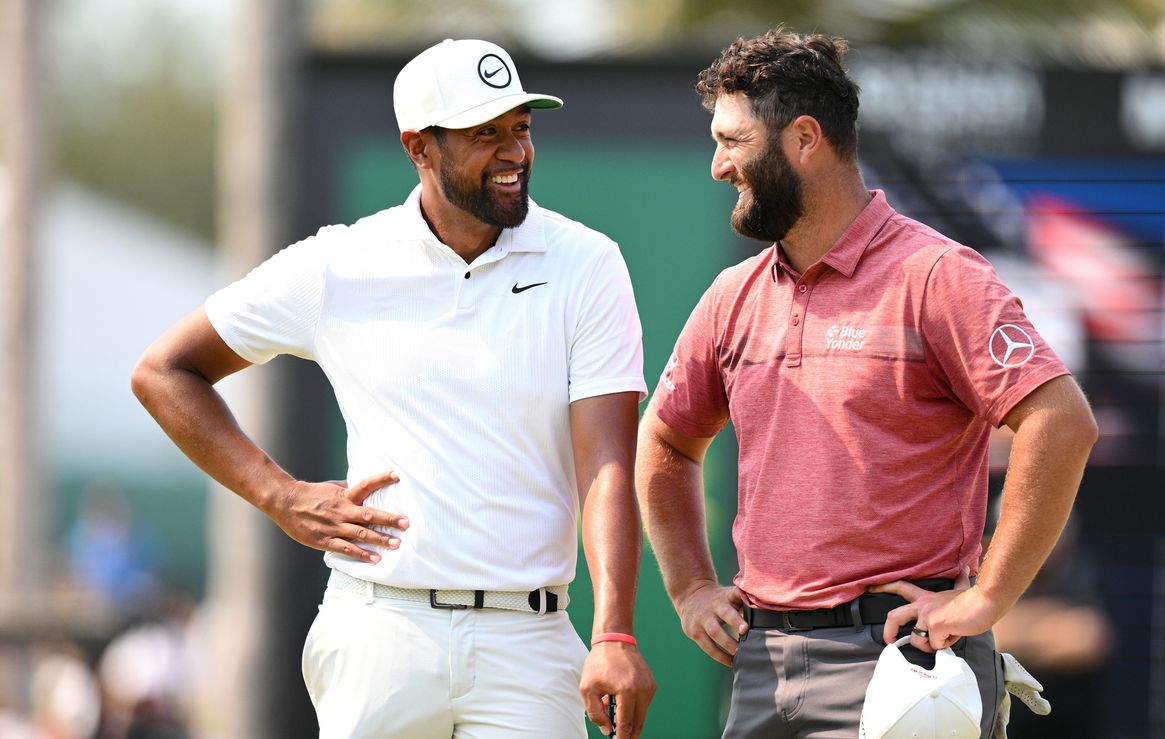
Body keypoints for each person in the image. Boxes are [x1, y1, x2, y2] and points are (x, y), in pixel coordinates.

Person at [132, 38, 654, 738]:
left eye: (521, 128)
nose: (514, 152)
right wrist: (278, 494)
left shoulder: (588, 264)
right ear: (419, 147)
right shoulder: (340, 262)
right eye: (484, 134)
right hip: (380, 629)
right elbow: (164, 370)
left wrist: (614, 633)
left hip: (528, 641)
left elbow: (607, 465)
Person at [635, 28, 1097, 738]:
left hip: (903, 666)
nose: (717, 165)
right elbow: (666, 438)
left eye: (733, 140)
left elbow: (1061, 421)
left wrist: (986, 599)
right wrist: (691, 586)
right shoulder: (733, 296)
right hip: (763, 664)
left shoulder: (938, 276)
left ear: (804, 140)